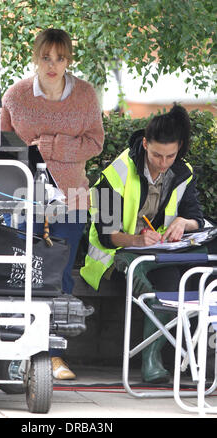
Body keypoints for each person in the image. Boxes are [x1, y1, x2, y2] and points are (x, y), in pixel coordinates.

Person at [1, 28, 104, 379]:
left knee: (60, 276)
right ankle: (16, 353)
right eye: (47, 57)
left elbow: (95, 142)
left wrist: (53, 146)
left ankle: (54, 353)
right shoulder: (16, 95)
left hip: (72, 196)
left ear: (69, 59)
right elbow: (3, 145)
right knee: (21, 274)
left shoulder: (86, 95)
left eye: (60, 58)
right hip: (22, 195)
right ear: (36, 56)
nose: (53, 65)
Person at [81, 103, 206, 383]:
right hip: (116, 254)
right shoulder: (116, 172)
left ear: (179, 148)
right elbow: (105, 234)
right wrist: (137, 239)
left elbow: (197, 218)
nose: (163, 163)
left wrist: (183, 224)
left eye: (170, 156)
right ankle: (151, 362)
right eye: (157, 155)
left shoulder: (182, 172)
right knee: (152, 286)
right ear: (145, 144)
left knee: (175, 281)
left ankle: (157, 358)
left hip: (158, 253)